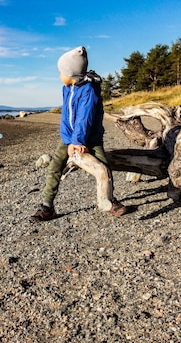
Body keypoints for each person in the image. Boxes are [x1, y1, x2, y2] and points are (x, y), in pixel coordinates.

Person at [30, 46, 127, 221]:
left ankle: (109, 199)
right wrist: (69, 140)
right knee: (54, 167)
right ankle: (47, 206)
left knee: (103, 167)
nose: (60, 76)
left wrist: (78, 141)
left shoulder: (89, 90)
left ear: (72, 74)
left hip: (90, 138)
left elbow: (85, 118)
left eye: (61, 72)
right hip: (69, 138)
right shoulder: (67, 88)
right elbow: (67, 117)